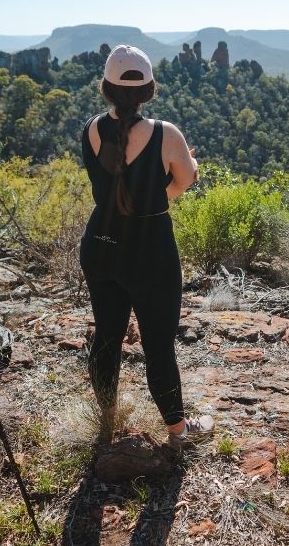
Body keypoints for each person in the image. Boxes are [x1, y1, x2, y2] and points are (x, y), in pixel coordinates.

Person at [79, 45, 213, 444]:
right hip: (150, 251)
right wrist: (174, 179)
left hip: (100, 243)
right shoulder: (164, 133)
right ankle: (178, 430)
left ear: (106, 88)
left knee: (106, 336)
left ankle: (106, 419)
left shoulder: (90, 128)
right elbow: (183, 182)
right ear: (149, 90)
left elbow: (112, 183)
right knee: (158, 345)